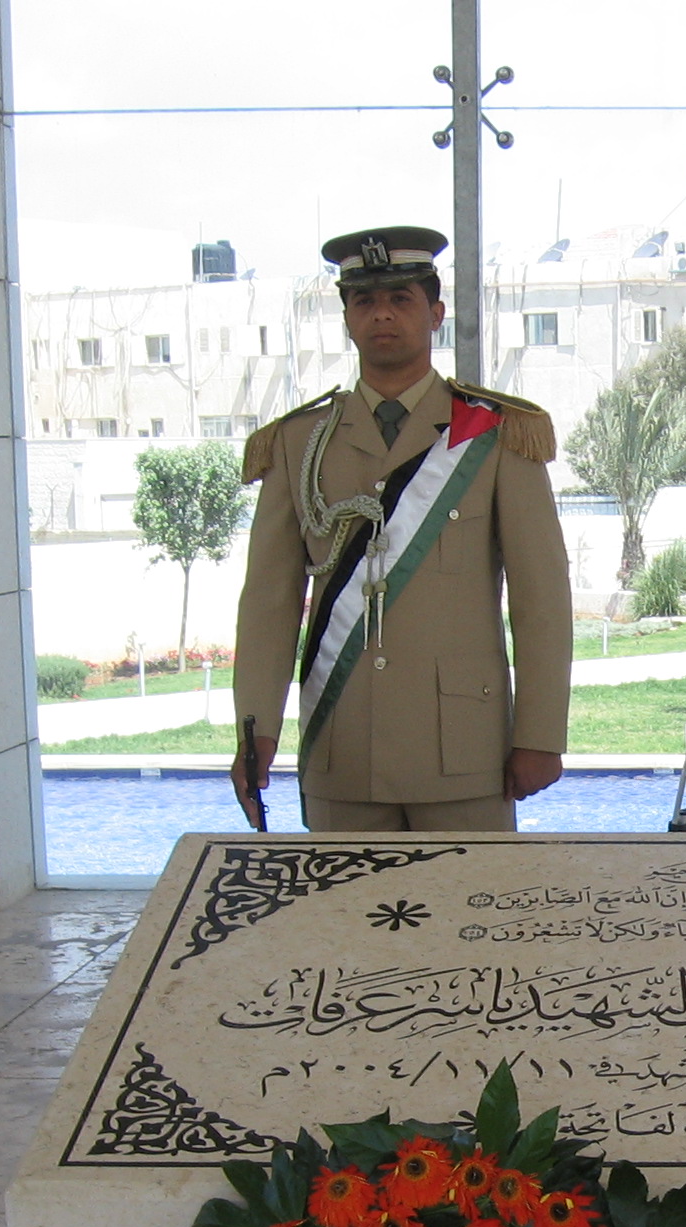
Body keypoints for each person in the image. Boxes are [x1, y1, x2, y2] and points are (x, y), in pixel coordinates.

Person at [229, 226, 571, 831]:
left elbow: (541, 598)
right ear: (346, 319)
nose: (382, 314)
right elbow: (269, 602)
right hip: (342, 746)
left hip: (462, 748)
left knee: (471, 896)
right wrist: (254, 729)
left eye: (401, 299)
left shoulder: (494, 433)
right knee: (345, 897)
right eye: (364, 301)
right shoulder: (298, 442)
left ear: (435, 314)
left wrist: (540, 735)